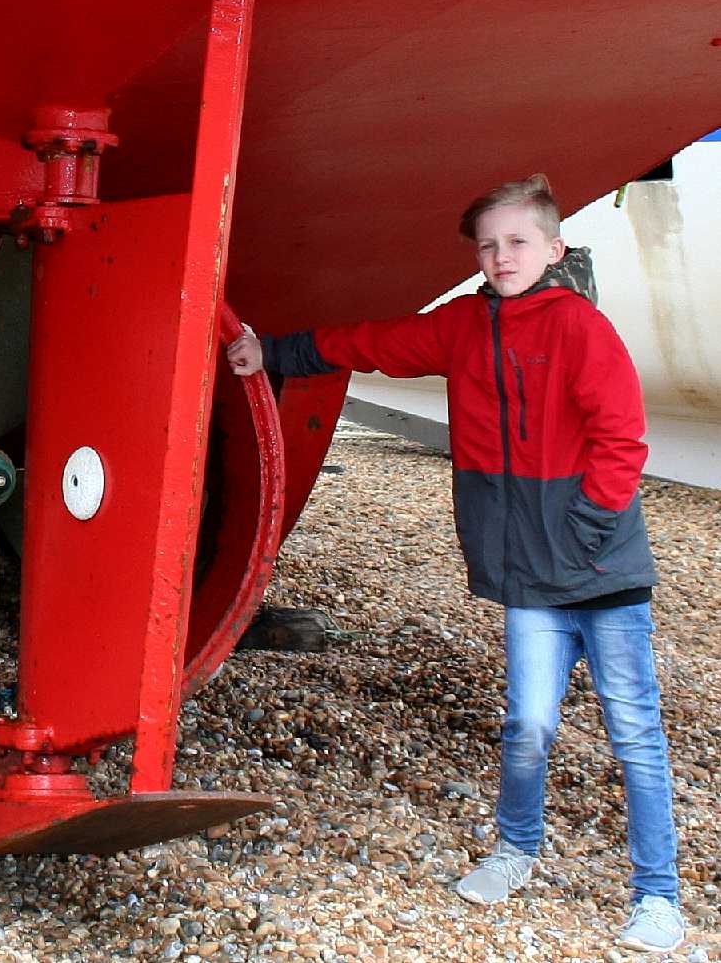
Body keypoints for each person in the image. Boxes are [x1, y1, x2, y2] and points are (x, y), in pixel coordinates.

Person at [226, 174, 684, 953]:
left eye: (517, 243)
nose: (502, 257)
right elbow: (371, 340)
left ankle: (658, 896)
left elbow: (623, 438)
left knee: (634, 730)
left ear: (552, 248)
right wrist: (275, 351)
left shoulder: (579, 329)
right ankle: (515, 849)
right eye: (488, 246)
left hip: (602, 574)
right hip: (530, 578)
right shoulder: (465, 327)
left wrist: (585, 531)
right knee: (530, 724)